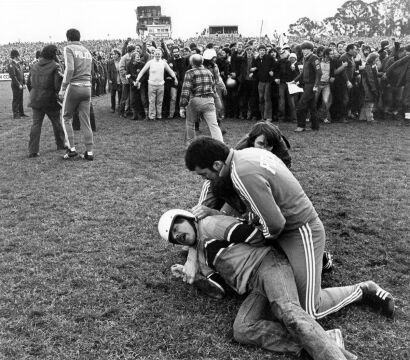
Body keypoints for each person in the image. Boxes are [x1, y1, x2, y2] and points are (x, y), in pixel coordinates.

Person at [185, 137, 395, 321]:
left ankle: (365, 289)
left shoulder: (241, 173)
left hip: (300, 232)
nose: (206, 180)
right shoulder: (246, 155)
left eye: (205, 175)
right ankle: (319, 260)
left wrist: (257, 238)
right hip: (290, 230)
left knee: (310, 310)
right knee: (280, 285)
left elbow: (276, 224)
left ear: (217, 164)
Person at [158, 210, 361, 360]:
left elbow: (253, 235)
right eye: (174, 238)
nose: (177, 235)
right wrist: (193, 278)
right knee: (242, 329)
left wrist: (252, 257)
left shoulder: (210, 225)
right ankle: (325, 341)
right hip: (255, 286)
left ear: (188, 218)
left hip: (268, 264)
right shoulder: (200, 257)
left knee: (289, 312)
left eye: (177, 228)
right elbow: (219, 291)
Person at [58, 28, 94, 161]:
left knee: (66, 117)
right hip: (87, 87)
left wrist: (63, 87)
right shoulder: (87, 51)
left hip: (74, 86)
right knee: (86, 120)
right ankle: (89, 152)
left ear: (68, 38)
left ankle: (71, 149)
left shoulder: (69, 48)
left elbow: (70, 68)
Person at [26, 44, 65, 158]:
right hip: (50, 99)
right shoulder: (55, 66)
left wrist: (34, 93)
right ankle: (61, 144)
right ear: (53, 54)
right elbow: (57, 85)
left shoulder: (34, 65)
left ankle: (33, 150)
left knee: (36, 124)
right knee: (56, 122)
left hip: (36, 98)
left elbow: (29, 83)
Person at [179, 54, 223, 146]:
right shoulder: (209, 72)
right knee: (214, 125)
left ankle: (190, 145)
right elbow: (214, 89)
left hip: (195, 100)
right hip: (209, 100)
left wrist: (182, 106)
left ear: (191, 63)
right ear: (202, 62)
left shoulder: (190, 73)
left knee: (190, 124)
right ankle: (220, 144)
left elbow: (185, 90)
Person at [135, 48, 177, 120]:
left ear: (161, 55)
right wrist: (137, 80)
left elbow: (170, 71)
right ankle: (152, 116)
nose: (157, 55)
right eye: (156, 54)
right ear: (154, 54)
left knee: (159, 101)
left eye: (159, 54)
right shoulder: (150, 62)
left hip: (161, 85)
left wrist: (175, 78)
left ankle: (159, 115)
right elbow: (142, 71)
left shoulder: (163, 63)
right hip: (151, 85)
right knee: (152, 101)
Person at [293, 41, 322, 132]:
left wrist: (316, 85)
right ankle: (315, 126)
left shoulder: (314, 58)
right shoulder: (305, 58)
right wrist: (294, 81)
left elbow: (319, 72)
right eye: (303, 49)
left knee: (301, 105)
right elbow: (303, 73)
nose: (305, 51)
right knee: (312, 106)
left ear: (311, 50)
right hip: (306, 85)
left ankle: (301, 126)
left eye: (307, 49)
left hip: (311, 85)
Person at [8, 49, 27, 119]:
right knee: (16, 99)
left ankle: (21, 113)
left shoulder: (18, 64)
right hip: (16, 85)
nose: (19, 56)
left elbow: (22, 74)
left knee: (20, 99)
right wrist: (19, 84)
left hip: (21, 84)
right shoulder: (11, 65)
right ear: (15, 56)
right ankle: (15, 114)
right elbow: (13, 76)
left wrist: (24, 83)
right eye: (18, 55)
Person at [107, 49, 122, 114]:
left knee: (120, 95)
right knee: (112, 95)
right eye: (113, 54)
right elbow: (108, 72)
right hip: (113, 81)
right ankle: (113, 108)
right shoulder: (110, 62)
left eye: (115, 54)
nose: (113, 56)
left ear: (118, 55)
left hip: (120, 81)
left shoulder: (121, 61)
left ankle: (119, 107)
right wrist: (109, 79)